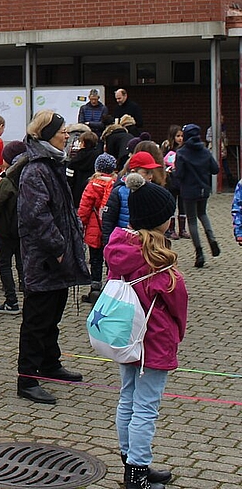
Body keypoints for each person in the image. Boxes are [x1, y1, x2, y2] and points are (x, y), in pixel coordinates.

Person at [104, 173, 186, 489]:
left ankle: (132, 462)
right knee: (146, 408)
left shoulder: (121, 247)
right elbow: (178, 306)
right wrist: (178, 332)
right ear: (160, 221)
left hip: (128, 337)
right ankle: (137, 472)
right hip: (154, 343)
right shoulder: (159, 261)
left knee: (128, 397)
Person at [16, 110, 90, 405]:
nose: (67, 136)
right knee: (37, 318)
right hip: (44, 258)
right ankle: (27, 378)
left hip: (57, 256)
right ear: (47, 134)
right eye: (62, 131)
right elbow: (36, 217)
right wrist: (59, 249)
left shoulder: (53, 163)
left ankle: (49, 363)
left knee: (53, 314)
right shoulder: (36, 170)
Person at [0, 141, 27, 316]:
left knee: (4, 264)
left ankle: (11, 301)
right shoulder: (29, 177)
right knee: (22, 263)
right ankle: (29, 298)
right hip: (24, 230)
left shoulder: (8, 180)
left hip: (6, 230)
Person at [174, 123, 220, 267]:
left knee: (192, 220)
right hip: (203, 189)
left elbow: (179, 174)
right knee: (203, 214)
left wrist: (174, 173)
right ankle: (211, 238)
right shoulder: (205, 151)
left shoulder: (181, 153)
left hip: (188, 191)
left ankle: (199, 253)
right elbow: (215, 169)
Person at [77, 153, 117, 303]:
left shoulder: (93, 184)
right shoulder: (115, 184)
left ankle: (95, 289)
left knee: (95, 260)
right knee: (110, 260)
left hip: (95, 228)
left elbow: (84, 208)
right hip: (110, 228)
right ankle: (111, 288)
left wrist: (81, 224)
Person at [101, 151, 161, 248]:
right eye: (146, 172)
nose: (150, 176)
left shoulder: (152, 191)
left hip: (145, 243)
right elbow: (108, 220)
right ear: (133, 172)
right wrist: (108, 245)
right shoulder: (119, 191)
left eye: (151, 172)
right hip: (123, 242)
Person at [66, 131, 101, 207]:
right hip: (94, 191)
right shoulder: (98, 157)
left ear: (83, 143)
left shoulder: (75, 160)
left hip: (77, 192)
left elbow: (69, 178)